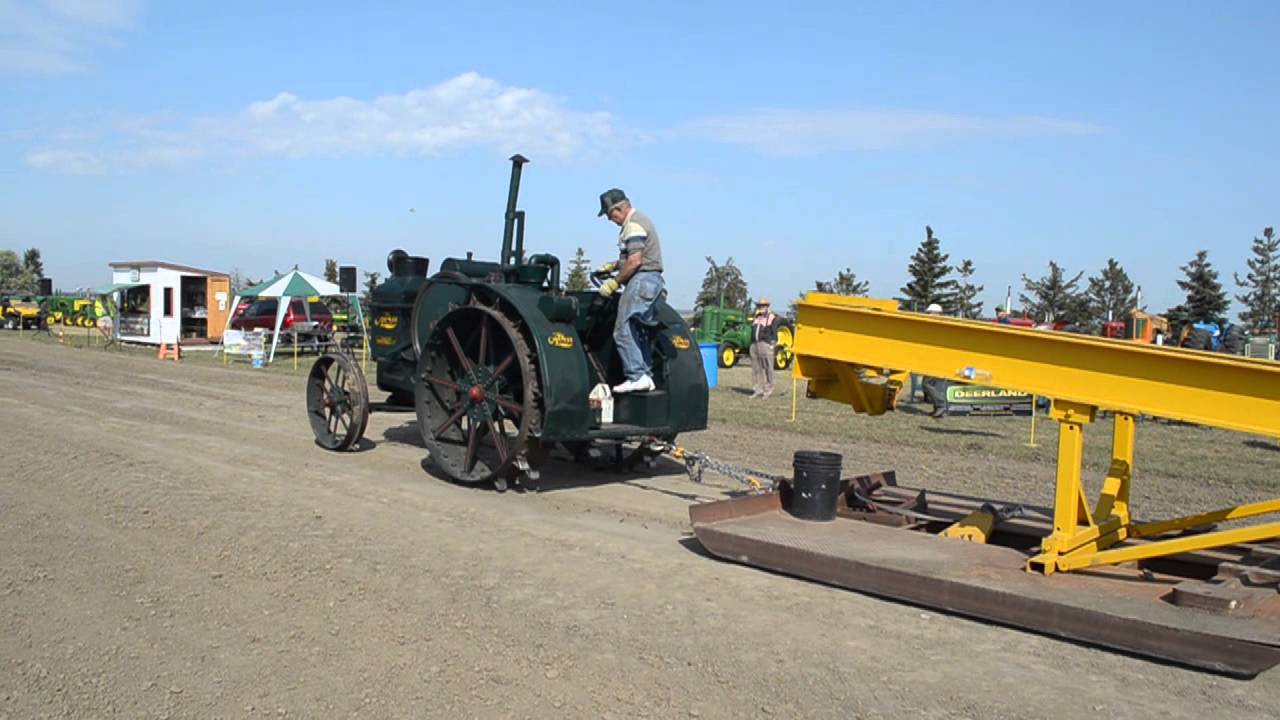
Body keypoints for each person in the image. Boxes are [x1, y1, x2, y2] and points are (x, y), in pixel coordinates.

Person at [597, 188, 664, 394]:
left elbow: (635, 261)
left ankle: (636, 375)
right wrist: (614, 265)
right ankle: (646, 376)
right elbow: (635, 256)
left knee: (622, 329)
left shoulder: (633, 225)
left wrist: (614, 283)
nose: (610, 220)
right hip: (652, 281)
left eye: (609, 215)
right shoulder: (641, 221)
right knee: (639, 330)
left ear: (617, 210)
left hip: (642, 280)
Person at [920, 303, 950, 417]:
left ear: (937, 313)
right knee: (937, 386)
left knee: (926, 384)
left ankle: (941, 406)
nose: (928, 315)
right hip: (936, 359)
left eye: (930, 313)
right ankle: (939, 409)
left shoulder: (942, 325)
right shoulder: (934, 326)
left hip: (938, 360)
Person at [749, 298, 782, 398]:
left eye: (763, 305)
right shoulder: (756, 317)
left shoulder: (772, 317)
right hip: (755, 344)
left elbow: (774, 331)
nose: (761, 307)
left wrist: (772, 345)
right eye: (759, 305)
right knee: (756, 368)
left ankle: (768, 390)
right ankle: (758, 389)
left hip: (765, 344)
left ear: (767, 306)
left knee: (768, 367)